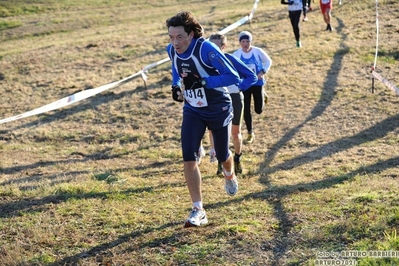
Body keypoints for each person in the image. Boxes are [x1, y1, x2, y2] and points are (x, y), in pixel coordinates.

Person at [166, 11, 240, 228]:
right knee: (189, 158)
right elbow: (176, 69)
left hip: (218, 107)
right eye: (171, 37)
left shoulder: (206, 48)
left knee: (223, 155)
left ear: (190, 34)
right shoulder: (173, 50)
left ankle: (229, 173)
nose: (175, 42)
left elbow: (233, 76)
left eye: (179, 37)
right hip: (193, 109)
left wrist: (205, 83)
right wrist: (175, 86)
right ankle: (198, 209)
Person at [207, 33, 257, 176]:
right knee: (215, 132)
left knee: (235, 132)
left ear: (224, 46)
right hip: (215, 99)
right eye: (210, 46)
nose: (213, 50)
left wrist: (239, 87)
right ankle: (220, 161)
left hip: (234, 98)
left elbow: (251, 76)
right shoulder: (206, 61)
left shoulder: (230, 59)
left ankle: (237, 158)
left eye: (217, 46)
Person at [233, 31, 272, 144]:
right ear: (240, 42)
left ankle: (262, 94)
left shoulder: (257, 51)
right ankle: (250, 133)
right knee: (245, 110)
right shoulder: (237, 54)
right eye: (243, 41)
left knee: (258, 110)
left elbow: (268, 61)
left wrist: (263, 71)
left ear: (251, 41)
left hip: (257, 83)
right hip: (245, 85)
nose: (245, 44)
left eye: (247, 41)